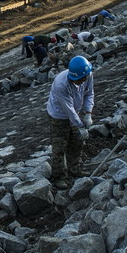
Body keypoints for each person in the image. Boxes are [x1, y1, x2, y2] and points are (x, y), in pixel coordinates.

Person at [46, 56, 94, 189]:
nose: (80, 81)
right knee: (59, 146)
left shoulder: (88, 74)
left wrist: (88, 113)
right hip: (58, 115)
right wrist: (80, 126)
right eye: (77, 80)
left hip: (75, 112)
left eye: (82, 79)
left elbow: (89, 94)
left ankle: (74, 168)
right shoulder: (61, 84)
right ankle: (58, 176)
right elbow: (69, 110)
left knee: (77, 141)